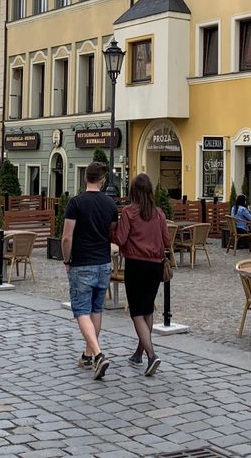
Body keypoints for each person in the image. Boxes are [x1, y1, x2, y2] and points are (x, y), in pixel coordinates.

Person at [61, 161, 117, 381]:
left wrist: (67, 259)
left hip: (82, 262)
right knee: (96, 309)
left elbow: (67, 237)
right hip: (103, 262)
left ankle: (98, 354)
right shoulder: (110, 204)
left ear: (86, 178)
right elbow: (112, 233)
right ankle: (87, 355)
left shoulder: (75, 203)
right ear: (102, 181)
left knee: (81, 310)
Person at [113, 173, 172, 377]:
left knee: (137, 312)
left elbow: (120, 238)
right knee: (147, 309)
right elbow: (167, 241)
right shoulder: (159, 213)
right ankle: (139, 353)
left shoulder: (129, 212)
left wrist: (110, 230)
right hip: (155, 266)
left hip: (136, 265)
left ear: (133, 191)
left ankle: (151, 355)